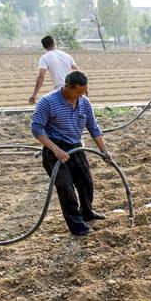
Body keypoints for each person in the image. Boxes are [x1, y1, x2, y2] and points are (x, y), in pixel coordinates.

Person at [31, 71, 111, 236]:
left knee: (86, 184)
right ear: (67, 87)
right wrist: (56, 150)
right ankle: (77, 226)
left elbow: (93, 128)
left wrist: (104, 150)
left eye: (85, 91)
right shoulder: (47, 102)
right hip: (56, 151)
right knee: (66, 189)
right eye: (79, 92)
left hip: (76, 148)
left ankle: (87, 213)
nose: (82, 95)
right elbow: (36, 129)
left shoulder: (84, 102)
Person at [29, 35, 79, 105]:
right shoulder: (67, 55)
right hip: (74, 88)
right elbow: (78, 72)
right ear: (54, 43)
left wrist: (34, 95)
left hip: (61, 89)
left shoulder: (45, 57)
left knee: (45, 105)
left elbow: (41, 77)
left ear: (44, 47)